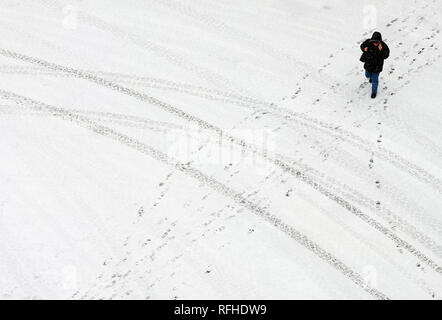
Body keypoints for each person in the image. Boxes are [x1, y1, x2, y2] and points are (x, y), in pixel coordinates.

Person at [360, 31, 390, 99]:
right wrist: (364, 49)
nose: (375, 43)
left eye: (377, 42)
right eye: (374, 42)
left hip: (377, 66)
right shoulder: (368, 42)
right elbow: (362, 46)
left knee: (375, 80)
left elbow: (386, 55)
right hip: (368, 64)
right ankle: (370, 78)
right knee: (367, 75)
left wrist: (381, 50)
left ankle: (374, 92)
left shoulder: (383, 46)